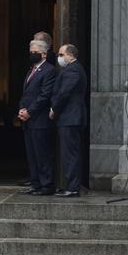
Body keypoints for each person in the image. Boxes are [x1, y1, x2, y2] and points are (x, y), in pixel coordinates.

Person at [18, 40, 58, 195]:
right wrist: (22, 109)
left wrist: (30, 112)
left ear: (44, 54)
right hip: (28, 120)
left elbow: (44, 95)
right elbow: (26, 93)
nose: (32, 54)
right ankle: (35, 184)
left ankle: (46, 185)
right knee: (32, 154)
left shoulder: (49, 70)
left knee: (42, 154)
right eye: (31, 51)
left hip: (40, 120)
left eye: (35, 52)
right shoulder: (31, 70)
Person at [50, 44, 87, 197]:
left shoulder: (73, 70)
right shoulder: (72, 69)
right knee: (68, 153)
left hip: (70, 117)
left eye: (61, 54)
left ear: (70, 55)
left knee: (70, 154)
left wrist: (54, 109)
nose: (59, 58)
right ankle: (69, 185)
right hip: (69, 118)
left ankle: (72, 187)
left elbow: (64, 92)